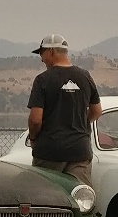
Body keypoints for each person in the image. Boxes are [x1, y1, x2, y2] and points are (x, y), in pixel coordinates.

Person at [26, 35, 101, 186]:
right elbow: (97, 111)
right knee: (80, 195)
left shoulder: (43, 80)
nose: (41, 59)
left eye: (42, 53)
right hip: (80, 152)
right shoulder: (85, 76)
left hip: (49, 153)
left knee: (46, 195)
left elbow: (35, 120)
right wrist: (80, 124)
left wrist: (33, 139)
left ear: (51, 51)